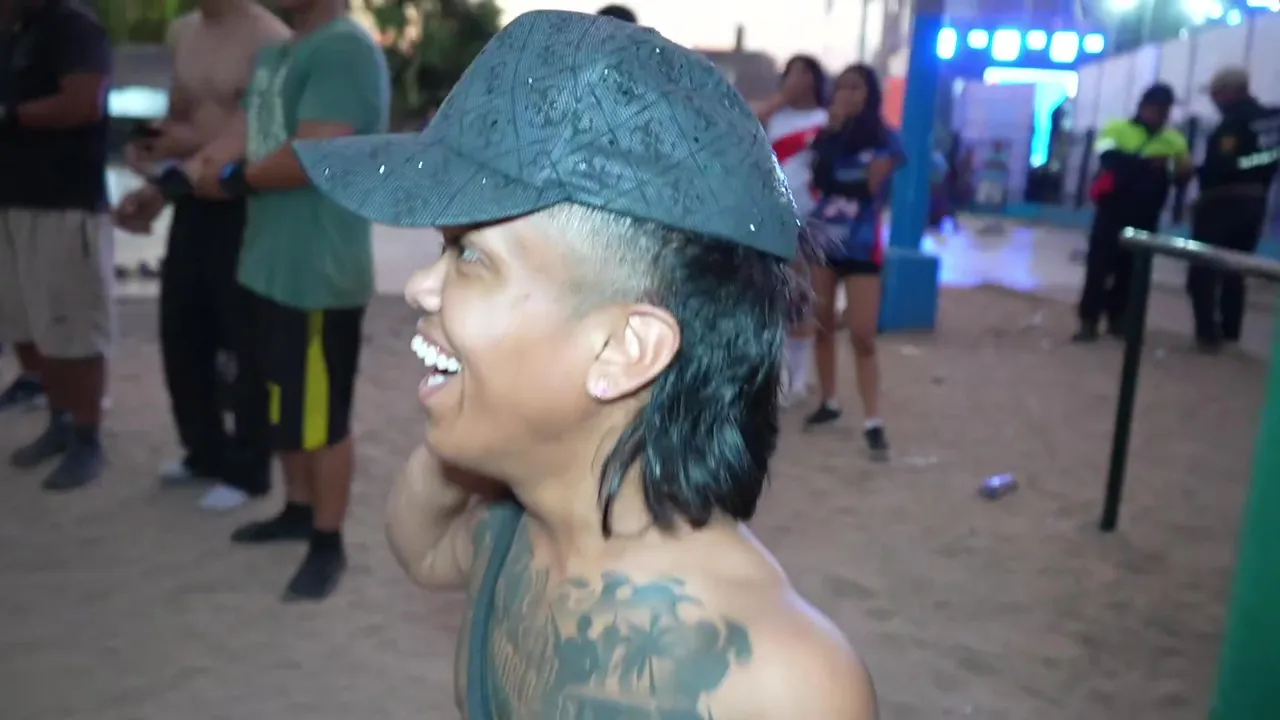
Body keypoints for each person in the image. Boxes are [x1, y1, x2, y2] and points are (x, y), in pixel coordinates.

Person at [297, 10, 876, 716]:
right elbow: (420, 549)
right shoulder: (519, 524)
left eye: (471, 256)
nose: (421, 285)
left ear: (625, 348)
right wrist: (476, 418)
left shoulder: (784, 684)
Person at [129, 0, 389, 600]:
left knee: (323, 417)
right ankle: (296, 509)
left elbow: (314, 153)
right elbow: (237, 137)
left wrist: (230, 182)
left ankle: (328, 541)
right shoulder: (277, 55)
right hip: (264, 262)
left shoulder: (345, 50)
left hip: (318, 271)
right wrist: (168, 186)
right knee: (280, 401)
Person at [114, 0, 290, 511]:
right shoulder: (184, 30)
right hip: (191, 192)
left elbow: (261, 133)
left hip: (244, 197)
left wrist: (183, 148)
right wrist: (152, 152)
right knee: (181, 325)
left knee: (243, 334)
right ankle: (203, 450)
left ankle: (249, 466)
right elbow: (181, 117)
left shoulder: (270, 39)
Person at [0, 0, 113, 490]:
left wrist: (10, 115)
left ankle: (88, 437)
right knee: (32, 323)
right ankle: (59, 420)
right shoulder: (16, 30)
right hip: (12, 202)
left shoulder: (75, 27)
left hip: (63, 203)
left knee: (75, 326)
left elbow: (84, 103)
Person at [803, 64, 898, 460]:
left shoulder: (886, 138)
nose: (847, 94)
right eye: (841, 87)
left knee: (862, 332)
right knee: (822, 323)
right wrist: (834, 132)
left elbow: (869, 185)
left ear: (869, 93)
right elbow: (821, 180)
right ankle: (829, 401)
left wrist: (843, 165)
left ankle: (873, 420)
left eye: (856, 87)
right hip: (825, 238)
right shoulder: (827, 135)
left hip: (861, 243)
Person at [1074, 83, 1190, 342]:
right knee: (1099, 268)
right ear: (1143, 107)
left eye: (1165, 110)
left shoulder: (1175, 140)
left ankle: (1120, 320)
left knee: (1133, 272)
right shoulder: (1116, 129)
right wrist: (1149, 164)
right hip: (1112, 211)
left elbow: (1181, 174)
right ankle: (1089, 321)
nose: (1160, 115)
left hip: (1147, 214)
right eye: (1156, 109)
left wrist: (1173, 169)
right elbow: (1108, 158)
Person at [1187, 66, 1280, 352]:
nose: (1214, 100)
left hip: (1222, 202)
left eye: (1216, 94)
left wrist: (1197, 171)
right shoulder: (1270, 120)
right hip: (1256, 202)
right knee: (1235, 268)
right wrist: (1254, 170)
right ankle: (1230, 332)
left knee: (1203, 269)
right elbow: (1268, 160)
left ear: (1231, 91)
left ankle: (1208, 335)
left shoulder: (1233, 123)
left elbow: (1224, 166)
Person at [753, 55, 828, 406]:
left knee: (800, 295)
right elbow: (746, 121)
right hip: (773, 214)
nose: (797, 80)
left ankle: (800, 376)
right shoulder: (774, 117)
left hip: (810, 217)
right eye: (792, 73)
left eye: (804, 74)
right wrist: (782, 98)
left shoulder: (824, 120)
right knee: (774, 296)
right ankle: (780, 375)